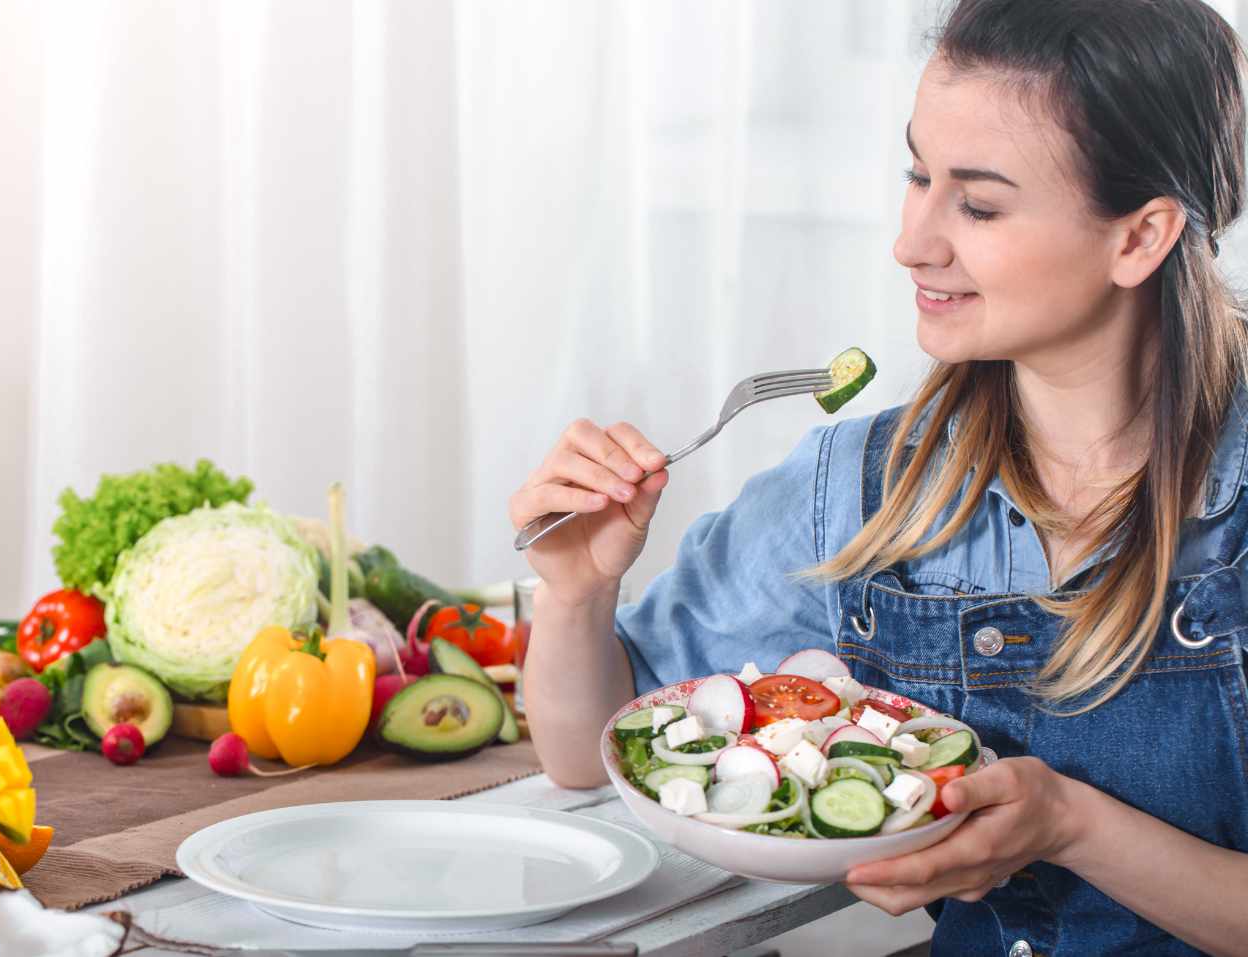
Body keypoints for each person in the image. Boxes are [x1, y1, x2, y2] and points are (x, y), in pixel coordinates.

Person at [510, 0, 1248, 953]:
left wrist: (1072, 824)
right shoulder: (862, 487)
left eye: (978, 205)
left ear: (1139, 237)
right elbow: (587, 751)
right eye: (917, 174)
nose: (913, 240)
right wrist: (578, 592)